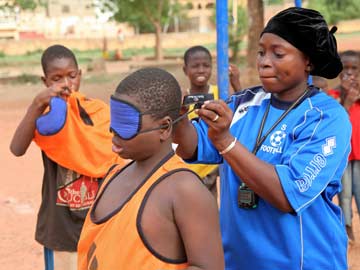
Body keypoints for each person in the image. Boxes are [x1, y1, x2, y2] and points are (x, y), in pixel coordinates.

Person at [174, 7, 351, 269]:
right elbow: (191, 146)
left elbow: (286, 194)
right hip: (240, 262)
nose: (264, 62)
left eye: (278, 54)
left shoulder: (326, 117)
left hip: (302, 262)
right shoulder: (244, 103)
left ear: (308, 61)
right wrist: (178, 117)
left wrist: (226, 141)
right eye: (261, 52)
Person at [77, 67, 224, 269]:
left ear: (164, 128)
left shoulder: (184, 191)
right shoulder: (115, 173)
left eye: (127, 123)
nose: (114, 132)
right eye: (115, 121)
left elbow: (208, 266)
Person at [9, 45, 126, 270]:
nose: (66, 84)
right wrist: (36, 104)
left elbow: (119, 155)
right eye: (57, 78)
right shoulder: (45, 118)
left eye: (71, 76)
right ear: (45, 82)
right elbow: (17, 148)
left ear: (79, 75)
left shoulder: (99, 111)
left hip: (100, 220)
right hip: (61, 226)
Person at [182, 45, 240, 198]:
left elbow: (239, 115)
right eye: (195, 66)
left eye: (206, 65)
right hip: (189, 169)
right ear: (185, 70)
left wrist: (236, 84)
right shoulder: (183, 100)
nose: (201, 70)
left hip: (213, 168)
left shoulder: (220, 92)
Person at [328, 50, 360, 243]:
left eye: (354, 69)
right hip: (343, 156)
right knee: (345, 194)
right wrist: (347, 101)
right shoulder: (333, 96)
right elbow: (335, 122)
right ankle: (347, 230)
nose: (349, 74)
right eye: (345, 69)